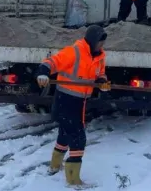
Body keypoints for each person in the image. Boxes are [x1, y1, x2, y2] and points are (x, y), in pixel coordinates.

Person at [36, 25, 111, 187]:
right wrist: (43, 73)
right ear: (92, 40)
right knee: (78, 138)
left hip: (80, 102)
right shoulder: (74, 52)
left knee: (65, 132)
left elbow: (101, 73)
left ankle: (55, 165)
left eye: (103, 42)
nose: (102, 45)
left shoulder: (99, 56)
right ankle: (73, 179)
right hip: (65, 100)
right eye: (100, 42)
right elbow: (51, 62)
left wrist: (102, 81)